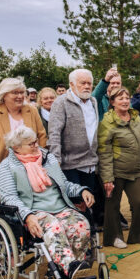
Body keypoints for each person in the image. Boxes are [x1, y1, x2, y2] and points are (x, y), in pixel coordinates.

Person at [0, 125, 95, 279]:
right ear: (16, 147)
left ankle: (72, 267)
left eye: (36, 141)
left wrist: (82, 191)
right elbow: (9, 198)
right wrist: (27, 216)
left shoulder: (48, 159)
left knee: (80, 224)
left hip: (60, 207)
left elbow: (64, 184)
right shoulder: (7, 167)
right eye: (31, 144)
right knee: (53, 226)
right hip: (34, 212)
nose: (37, 146)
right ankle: (69, 267)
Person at [0, 78, 48, 217]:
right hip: (2, 166)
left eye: (22, 92)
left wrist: (40, 158)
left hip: (30, 167)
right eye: (15, 93)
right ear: (4, 95)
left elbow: (41, 135)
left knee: (29, 207)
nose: (20, 96)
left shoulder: (31, 110)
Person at [97, 86, 140, 248]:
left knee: (139, 202)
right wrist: (107, 178)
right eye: (120, 98)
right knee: (112, 205)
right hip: (116, 171)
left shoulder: (135, 117)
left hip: (136, 169)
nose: (125, 101)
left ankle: (138, 234)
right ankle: (114, 237)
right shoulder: (107, 122)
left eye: (127, 98)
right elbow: (104, 152)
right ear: (112, 102)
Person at [48, 69, 102, 225]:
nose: (87, 86)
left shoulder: (93, 101)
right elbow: (54, 132)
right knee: (75, 203)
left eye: (89, 83)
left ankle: (88, 233)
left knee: (88, 202)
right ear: (71, 84)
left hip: (90, 163)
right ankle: (77, 234)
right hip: (69, 163)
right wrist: (55, 160)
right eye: (82, 83)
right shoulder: (61, 102)